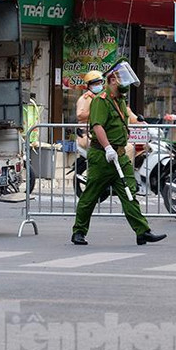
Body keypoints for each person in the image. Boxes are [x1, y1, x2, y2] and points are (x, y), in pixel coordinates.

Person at [72, 61, 166, 246]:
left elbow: (129, 118)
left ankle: (142, 231)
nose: (125, 85)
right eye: (122, 80)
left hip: (120, 156)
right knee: (90, 196)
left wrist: (141, 124)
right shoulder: (101, 100)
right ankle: (79, 232)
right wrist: (107, 148)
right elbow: (97, 126)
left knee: (129, 193)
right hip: (102, 156)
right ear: (112, 79)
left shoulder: (120, 100)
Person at [76, 70, 138, 162]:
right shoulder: (87, 98)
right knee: (128, 148)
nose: (98, 85)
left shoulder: (113, 99)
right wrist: (100, 112)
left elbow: (130, 116)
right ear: (88, 85)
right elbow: (80, 115)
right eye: (95, 83)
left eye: (100, 83)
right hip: (87, 135)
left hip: (109, 135)